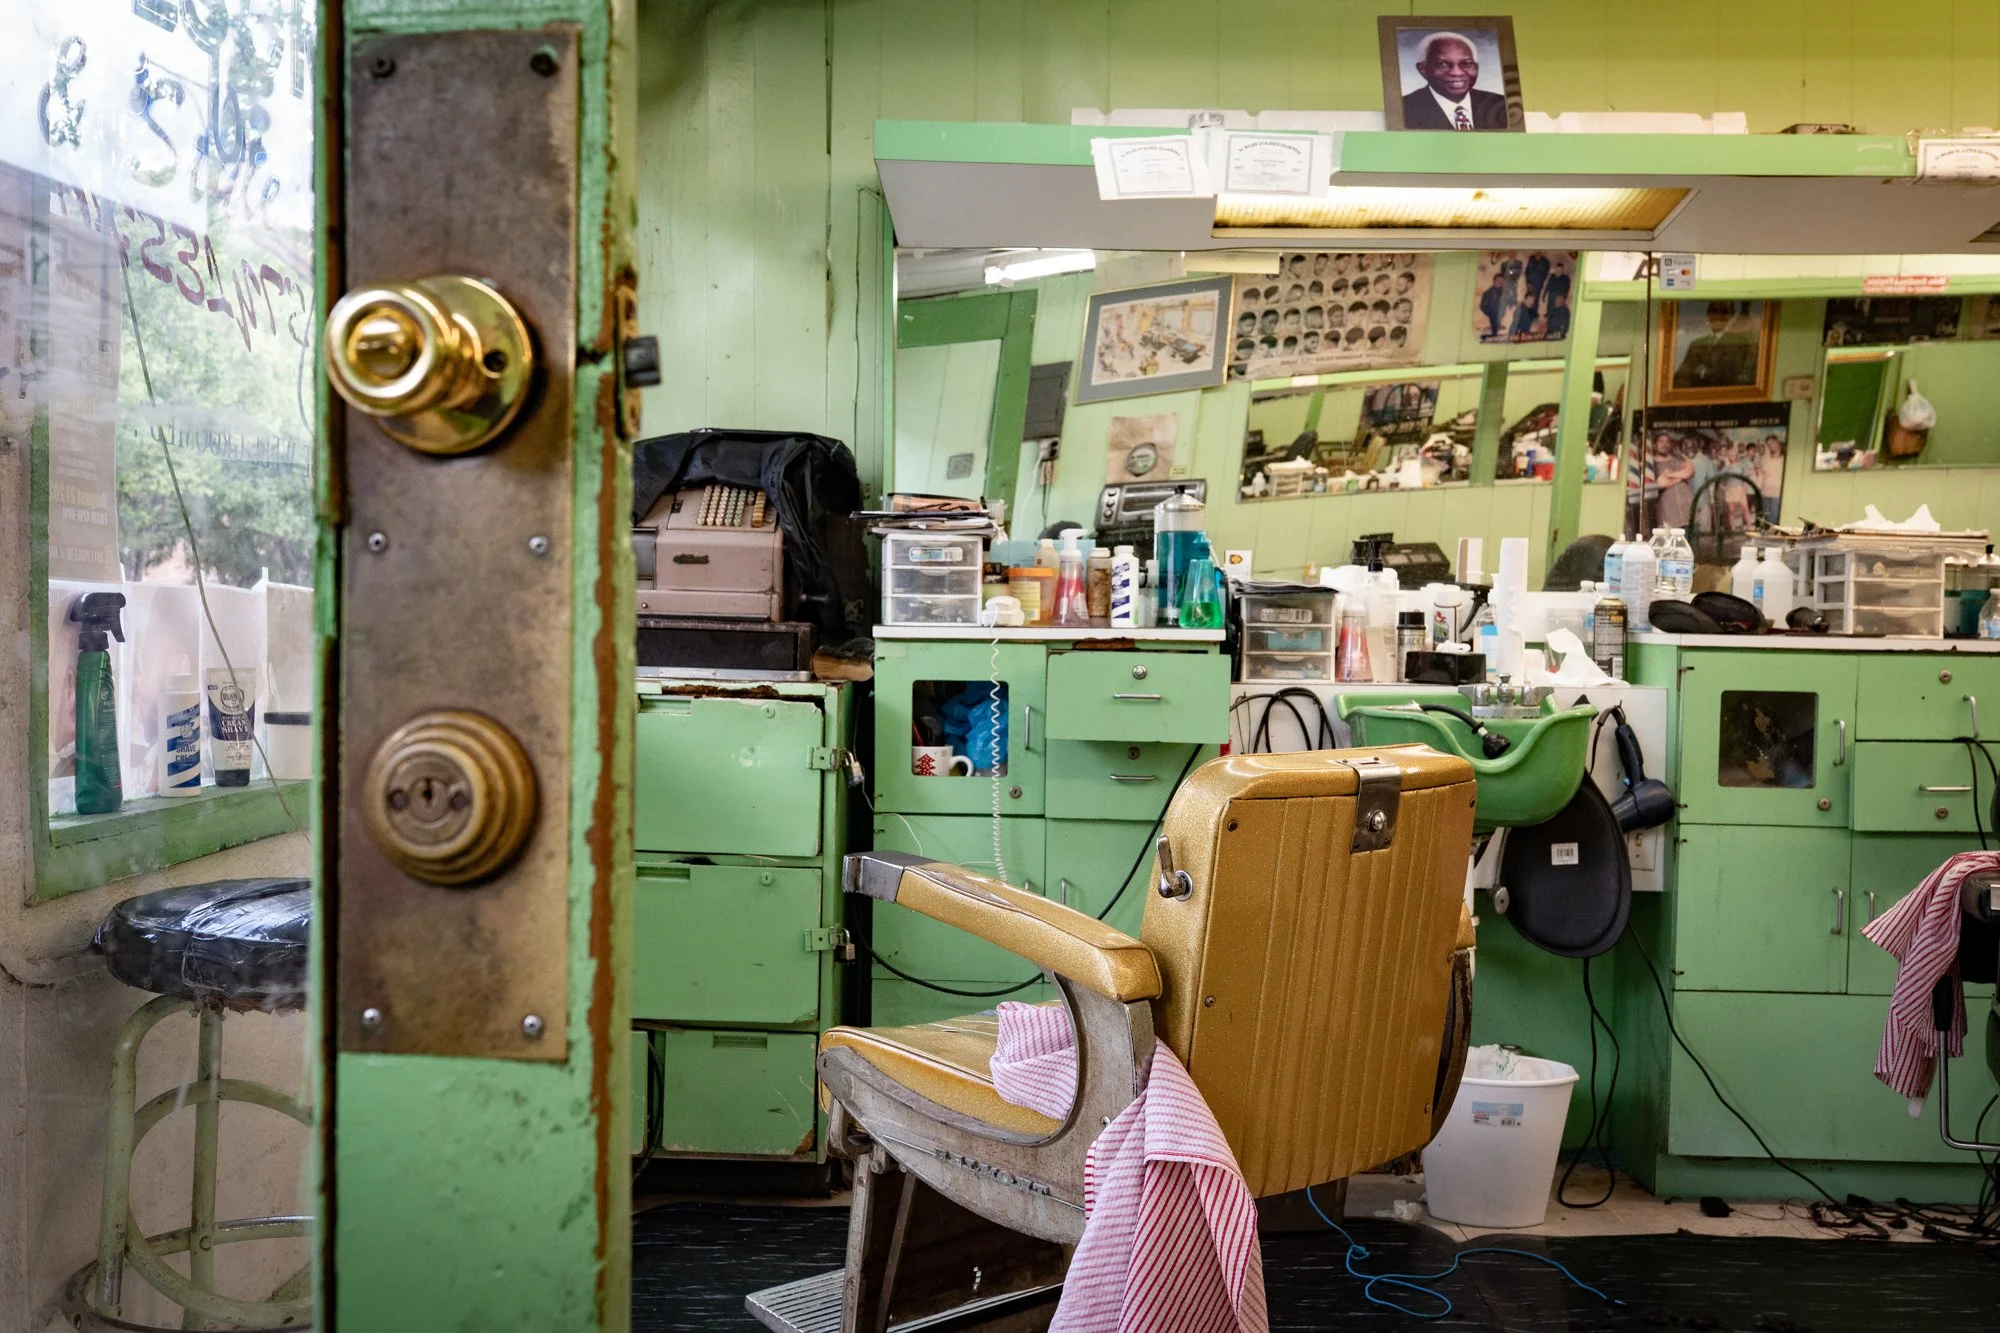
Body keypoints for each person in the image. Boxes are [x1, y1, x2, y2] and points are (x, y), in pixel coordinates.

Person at [1399, 32, 1509, 130]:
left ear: (1477, 67)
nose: (1457, 73)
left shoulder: (1501, 105)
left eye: (1467, 64)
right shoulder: (1403, 109)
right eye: (1443, 64)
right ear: (1423, 69)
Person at [1676, 301, 1759, 388]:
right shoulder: (1696, 344)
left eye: (1723, 312)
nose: (1718, 316)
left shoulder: (1738, 342)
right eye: (1714, 311)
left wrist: (1701, 372)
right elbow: (1683, 373)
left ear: (1730, 316)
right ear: (1708, 314)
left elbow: (1730, 373)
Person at [1478, 273, 1509, 341]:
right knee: (1495, 332)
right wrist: (1490, 313)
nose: (1500, 282)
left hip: (1500, 314)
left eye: (1502, 281)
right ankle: (1487, 338)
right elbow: (1482, 306)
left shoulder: (1503, 291)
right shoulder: (1488, 293)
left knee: (1497, 330)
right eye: (1498, 280)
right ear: (1494, 281)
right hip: (1494, 314)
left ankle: (1494, 336)